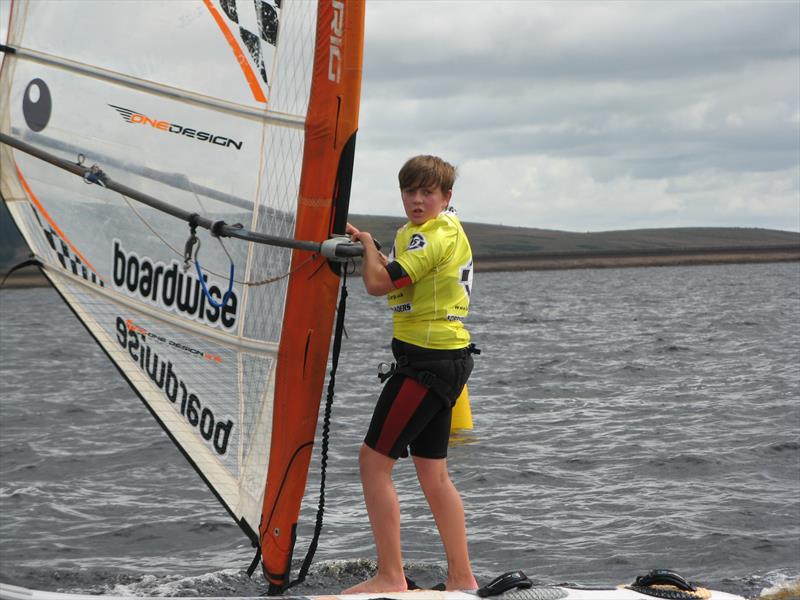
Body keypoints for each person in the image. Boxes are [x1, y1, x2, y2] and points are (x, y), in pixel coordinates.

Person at [343, 155, 478, 594]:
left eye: (428, 193)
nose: (417, 200)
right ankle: (461, 578)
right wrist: (372, 248)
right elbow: (398, 274)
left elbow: (379, 284)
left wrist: (366, 249)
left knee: (373, 463)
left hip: (427, 363)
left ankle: (390, 576)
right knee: (432, 473)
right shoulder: (416, 234)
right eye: (410, 192)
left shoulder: (435, 235)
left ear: (446, 198)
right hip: (444, 360)